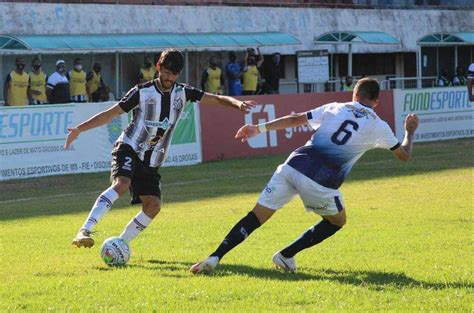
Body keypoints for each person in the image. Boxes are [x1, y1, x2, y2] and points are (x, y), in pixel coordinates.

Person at [190, 78, 419, 274]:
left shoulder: (336, 107)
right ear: (376, 101)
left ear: (355, 94)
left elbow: (295, 118)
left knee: (255, 217)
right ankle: (286, 255)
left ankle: (214, 257)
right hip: (320, 180)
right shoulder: (379, 125)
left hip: (292, 165)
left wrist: (258, 129)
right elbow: (404, 155)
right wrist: (409, 131)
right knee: (338, 221)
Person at [65, 49, 256, 249]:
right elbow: (110, 114)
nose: (168, 77)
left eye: (173, 74)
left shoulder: (182, 92)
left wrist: (238, 104)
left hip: (152, 160)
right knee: (121, 184)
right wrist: (80, 129)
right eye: (165, 72)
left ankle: (121, 244)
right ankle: (84, 230)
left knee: (153, 206)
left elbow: (215, 98)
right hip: (129, 146)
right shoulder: (141, 91)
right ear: (158, 68)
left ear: (178, 74)